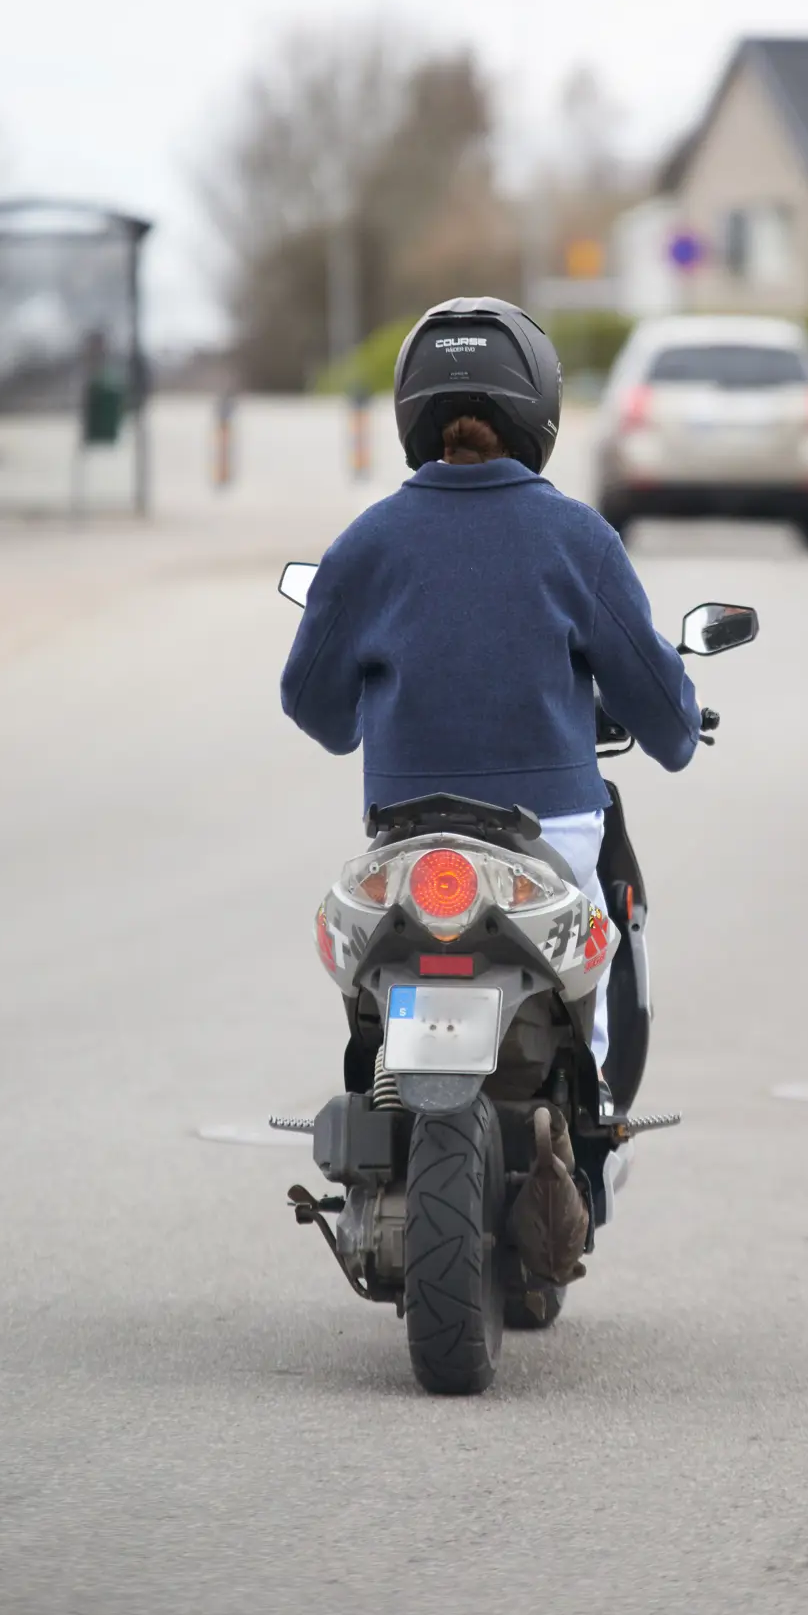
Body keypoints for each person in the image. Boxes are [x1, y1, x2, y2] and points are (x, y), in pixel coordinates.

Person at [279, 295, 701, 1079]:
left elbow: (312, 703)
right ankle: (591, 1130)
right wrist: (678, 728)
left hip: (404, 842)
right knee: (591, 1014)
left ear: (412, 409)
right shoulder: (579, 539)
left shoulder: (366, 543)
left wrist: (365, 714)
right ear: (537, 405)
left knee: (373, 985)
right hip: (553, 837)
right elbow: (661, 711)